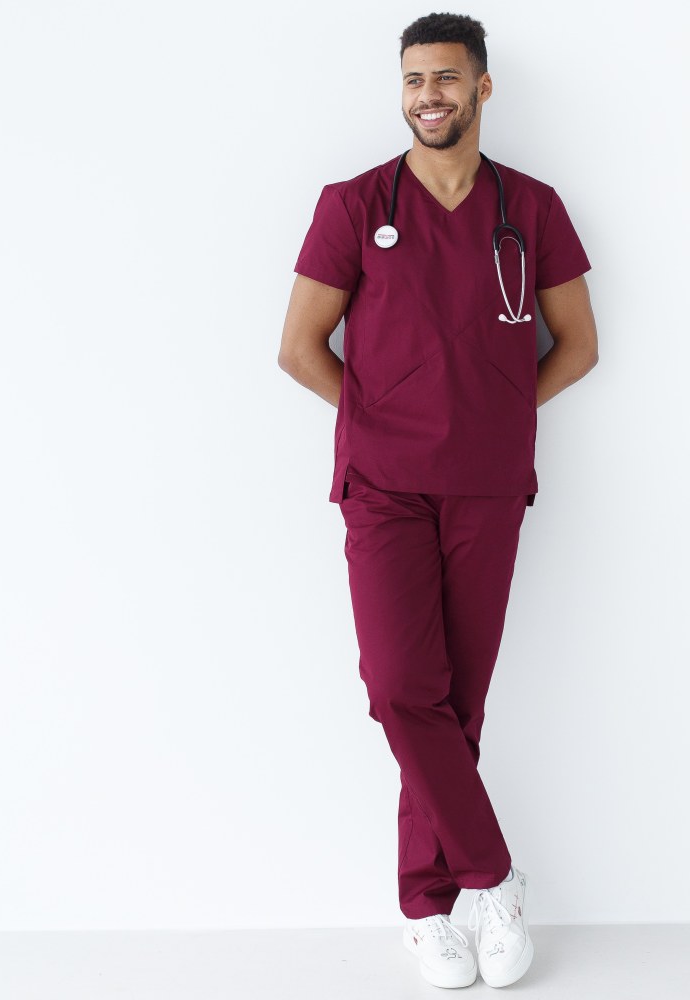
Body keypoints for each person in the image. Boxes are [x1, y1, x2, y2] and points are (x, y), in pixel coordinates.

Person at [277, 11, 598, 991]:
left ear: (481, 88)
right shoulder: (352, 205)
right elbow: (298, 349)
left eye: (448, 78)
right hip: (382, 487)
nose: (430, 95)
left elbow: (578, 345)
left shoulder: (531, 208)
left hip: (488, 485)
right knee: (396, 688)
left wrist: (495, 413)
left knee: (454, 704)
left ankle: (428, 910)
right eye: (415, 79)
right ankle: (492, 880)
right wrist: (382, 418)